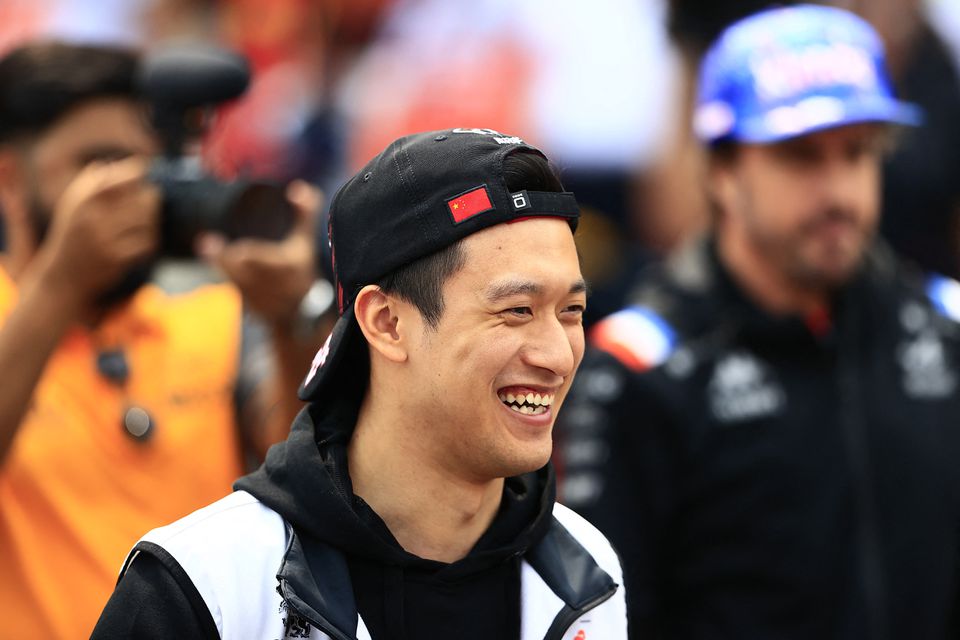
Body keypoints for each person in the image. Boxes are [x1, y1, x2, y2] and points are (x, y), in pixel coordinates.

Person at [92, 128, 628, 639]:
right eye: (516, 310)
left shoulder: (588, 572)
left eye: (571, 310)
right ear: (387, 323)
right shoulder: (204, 586)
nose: (558, 355)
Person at [554, 5, 960, 638]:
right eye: (801, 156)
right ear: (722, 171)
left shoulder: (944, 331)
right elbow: (605, 618)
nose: (839, 192)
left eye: (857, 153)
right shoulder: (642, 372)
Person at [0, 42, 328, 639]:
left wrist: (291, 317)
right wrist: (58, 286)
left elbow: (315, 486)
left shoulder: (215, 318)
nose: (137, 194)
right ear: (10, 180)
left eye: (146, 167)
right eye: (99, 165)